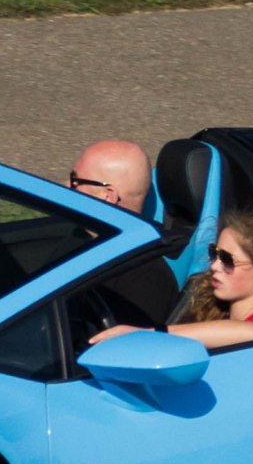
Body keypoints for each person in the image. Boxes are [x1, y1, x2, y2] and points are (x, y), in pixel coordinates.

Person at [90, 210, 253, 353]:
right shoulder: (210, 309)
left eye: (227, 260)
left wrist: (147, 335)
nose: (214, 266)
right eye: (214, 253)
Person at [67, 139, 179, 327]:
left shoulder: (147, 280)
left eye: (75, 180)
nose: (67, 186)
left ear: (107, 196)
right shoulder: (80, 237)